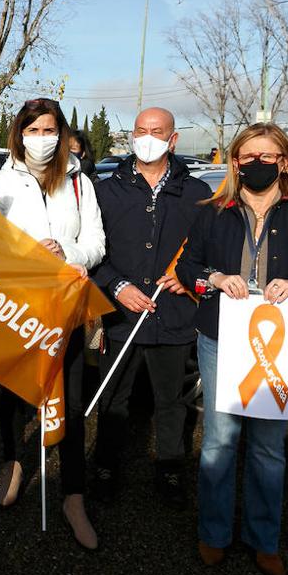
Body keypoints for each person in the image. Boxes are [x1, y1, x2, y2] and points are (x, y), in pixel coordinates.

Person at [175, 122, 288, 575]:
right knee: (220, 441)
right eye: (248, 157)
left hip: (280, 341)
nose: (258, 164)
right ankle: (214, 533)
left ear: (285, 162)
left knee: (268, 447)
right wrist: (214, 279)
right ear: (235, 163)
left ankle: (264, 539)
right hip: (222, 336)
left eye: (268, 156)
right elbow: (187, 266)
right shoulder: (213, 210)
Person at [0, 97, 106, 550]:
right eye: (32, 130)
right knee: (15, 395)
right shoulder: (1, 182)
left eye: (49, 129)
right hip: (16, 309)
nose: (41, 138)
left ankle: (73, 496)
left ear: (61, 132)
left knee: (71, 404)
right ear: (19, 134)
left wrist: (68, 253)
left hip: (66, 308)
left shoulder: (79, 182)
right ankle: (15, 462)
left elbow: (95, 242)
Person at [91, 107, 210, 509]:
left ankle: (171, 467)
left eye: (156, 131)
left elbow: (209, 251)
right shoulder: (105, 191)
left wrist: (190, 276)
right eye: (140, 130)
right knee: (113, 397)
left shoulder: (197, 194)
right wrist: (116, 285)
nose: (147, 137)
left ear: (172, 140)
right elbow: (92, 254)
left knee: (170, 400)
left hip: (173, 316)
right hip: (121, 317)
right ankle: (105, 465)